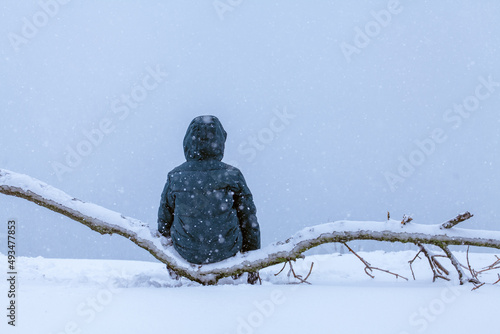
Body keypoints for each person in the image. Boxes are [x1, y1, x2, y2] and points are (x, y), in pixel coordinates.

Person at [158, 115, 261, 284]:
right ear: (220, 142)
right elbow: (249, 220)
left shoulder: (175, 176)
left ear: (188, 142)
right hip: (226, 251)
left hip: (186, 252)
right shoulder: (232, 175)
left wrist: (172, 258)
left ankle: (179, 271)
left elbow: (164, 221)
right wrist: (252, 261)